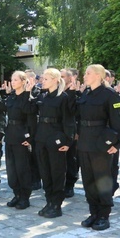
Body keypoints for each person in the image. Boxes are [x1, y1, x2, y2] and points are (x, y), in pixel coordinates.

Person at [26, 68, 75, 218]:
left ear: (55, 79)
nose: (42, 81)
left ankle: (57, 205)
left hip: (56, 139)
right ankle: (49, 202)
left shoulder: (63, 97)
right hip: (41, 138)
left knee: (57, 172)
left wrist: (68, 140)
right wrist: (29, 93)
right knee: (45, 173)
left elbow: (69, 120)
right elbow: (29, 110)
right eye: (42, 79)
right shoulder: (42, 95)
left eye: (46, 79)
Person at [76, 64, 120, 231]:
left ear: (98, 76)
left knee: (102, 180)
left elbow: (117, 122)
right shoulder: (86, 93)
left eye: (88, 73)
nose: (85, 76)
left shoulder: (109, 94)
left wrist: (117, 144)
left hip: (101, 144)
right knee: (88, 180)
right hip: (85, 143)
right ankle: (93, 212)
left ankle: (104, 215)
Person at [0, 71, 33, 209]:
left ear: (24, 81)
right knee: (11, 169)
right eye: (12, 79)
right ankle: (16, 194)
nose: (13, 82)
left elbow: (30, 118)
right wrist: (1, 93)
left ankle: (25, 197)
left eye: (16, 80)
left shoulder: (28, 97)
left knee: (22, 168)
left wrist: (29, 137)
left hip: (21, 136)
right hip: (10, 135)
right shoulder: (11, 97)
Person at [60, 69, 79, 198]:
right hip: (58, 131)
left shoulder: (75, 92)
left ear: (70, 78)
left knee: (71, 159)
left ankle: (69, 185)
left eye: (62, 76)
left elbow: (76, 113)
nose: (60, 78)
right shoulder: (58, 92)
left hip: (72, 131)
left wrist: (77, 131)